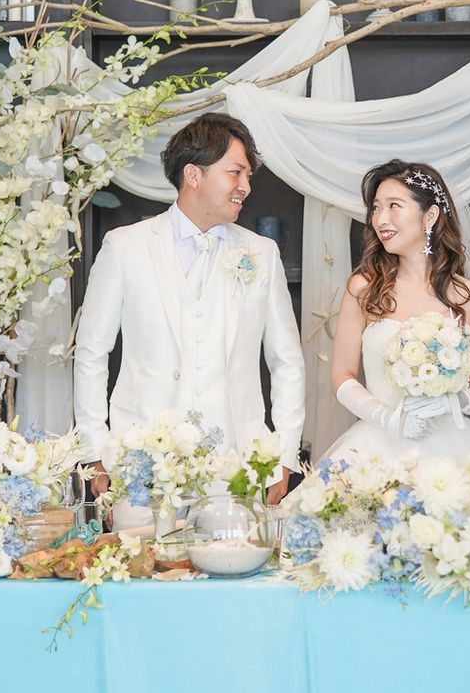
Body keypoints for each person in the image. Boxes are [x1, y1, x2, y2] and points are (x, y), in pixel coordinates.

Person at [73, 113, 305, 504]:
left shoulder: (262, 253)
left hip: (239, 466)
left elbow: (287, 362)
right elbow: (91, 353)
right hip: (141, 461)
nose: (246, 187)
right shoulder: (124, 247)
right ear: (194, 175)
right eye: (235, 173)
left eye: (248, 176)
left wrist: (284, 454)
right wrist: (95, 450)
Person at [320, 159, 470, 465]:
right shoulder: (364, 289)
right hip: (377, 445)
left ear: (430, 216)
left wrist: (456, 402)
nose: (381, 219)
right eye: (376, 208)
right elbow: (341, 376)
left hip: (453, 448)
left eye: (394, 206)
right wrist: (388, 418)